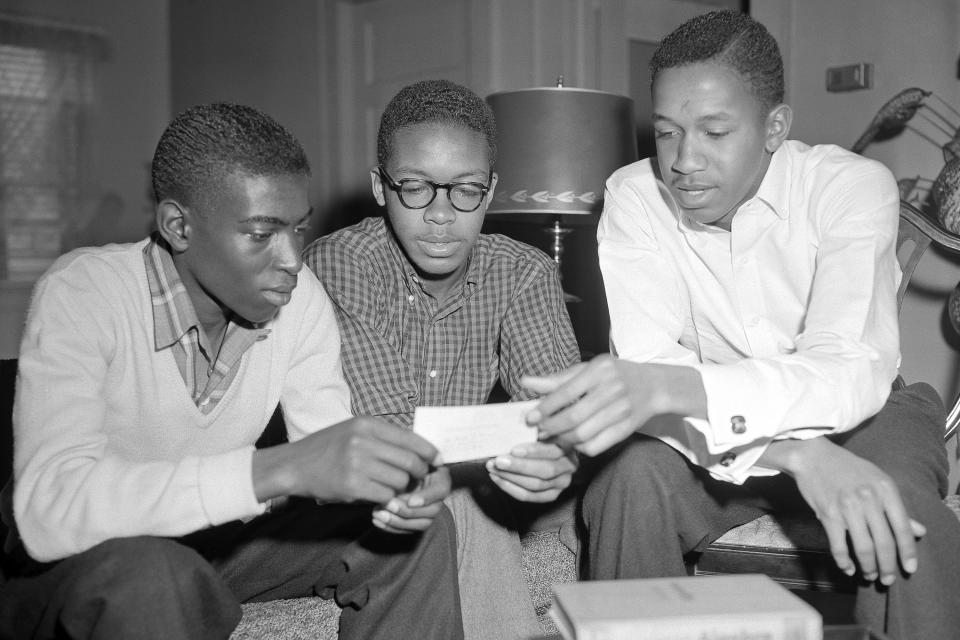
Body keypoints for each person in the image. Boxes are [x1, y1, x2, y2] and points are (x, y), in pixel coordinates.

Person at [523, 10, 960, 639]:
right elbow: (651, 370)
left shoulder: (851, 187)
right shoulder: (634, 197)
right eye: (667, 133)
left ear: (775, 126)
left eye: (715, 131)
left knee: (903, 518)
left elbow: (845, 368)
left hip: (867, 418)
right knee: (627, 482)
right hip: (703, 433)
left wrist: (683, 393)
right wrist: (800, 454)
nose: (682, 162)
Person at [0, 102, 463, 640]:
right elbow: (49, 510)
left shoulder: (299, 299)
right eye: (262, 233)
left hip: (215, 543)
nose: (292, 258)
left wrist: (395, 487)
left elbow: (328, 453)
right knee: (156, 575)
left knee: (415, 534)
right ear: (178, 225)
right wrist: (273, 470)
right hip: (70, 562)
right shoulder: (83, 292)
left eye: (299, 228)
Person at [304, 79, 581, 640]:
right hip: (358, 497)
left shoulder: (523, 272)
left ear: (492, 189)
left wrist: (557, 455)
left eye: (465, 190)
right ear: (381, 187)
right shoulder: (340, 264)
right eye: (415, 188)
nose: (440, 214)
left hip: (467, 473)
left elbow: (557, 414)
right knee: (460, 494)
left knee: (603, 479)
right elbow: (388, 433)